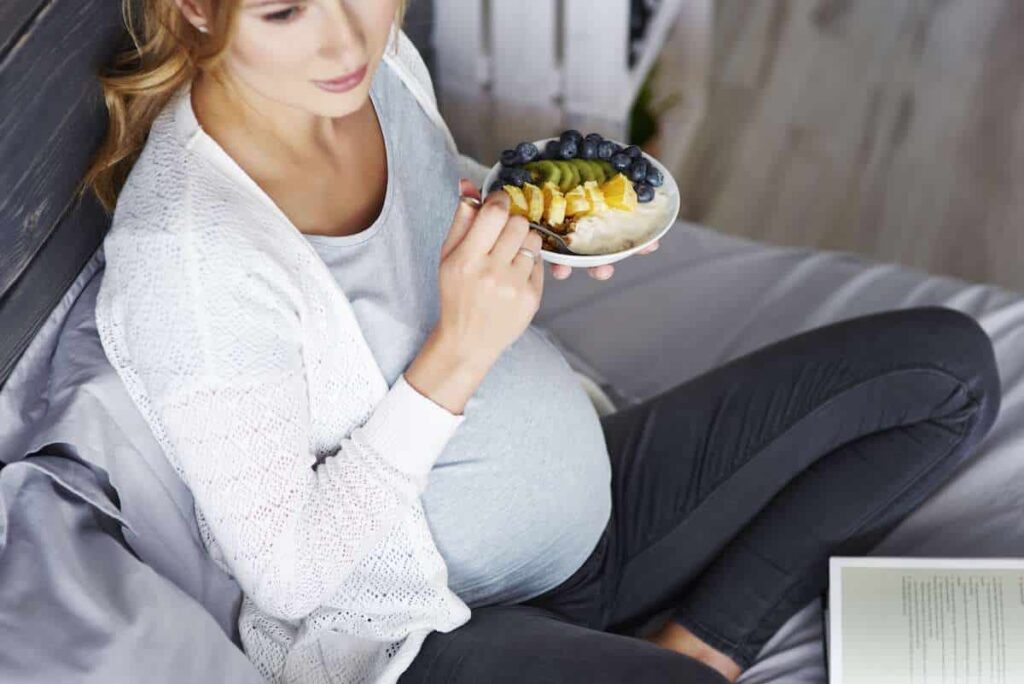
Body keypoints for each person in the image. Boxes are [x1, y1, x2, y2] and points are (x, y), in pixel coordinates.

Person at [80, 1, 1003, 683]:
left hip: (591, 529)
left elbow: (444, 191)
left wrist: (535, 221)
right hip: (428, 634)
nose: (347, 37)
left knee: (946, 371)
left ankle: (702, 646)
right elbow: (287, 574)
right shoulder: (192, 259)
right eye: (284, 10)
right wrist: (459, 355)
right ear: (195, 8)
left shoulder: (378, 67)